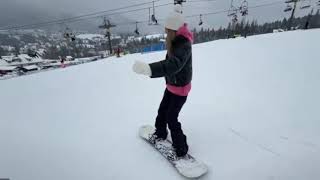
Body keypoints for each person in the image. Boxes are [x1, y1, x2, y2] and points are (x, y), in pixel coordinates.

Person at [132, 4, 193, 157]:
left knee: (172, 118)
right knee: (162, 111)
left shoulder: (183, 44)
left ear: (173, 30)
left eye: (167, 31)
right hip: (172, 86)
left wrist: (150, 69)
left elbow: (174, 65)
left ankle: (182, 148)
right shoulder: (175, 41)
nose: (165, 34)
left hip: (180, 89)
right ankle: (160, 133)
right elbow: (169, 63)